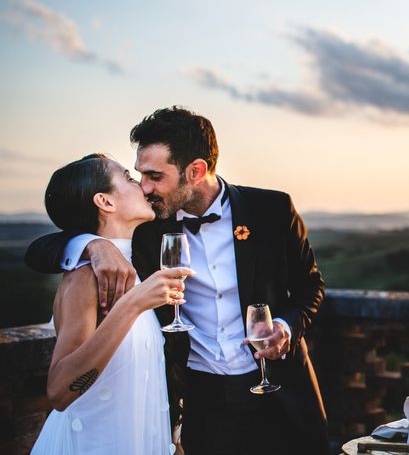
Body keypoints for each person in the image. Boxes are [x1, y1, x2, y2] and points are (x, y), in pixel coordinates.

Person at [26, 107, 330, 455]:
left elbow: (311, 288)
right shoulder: (148, 224)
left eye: (155, 176)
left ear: (196, 171)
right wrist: (92, 245)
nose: (145, 186)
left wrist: (284, 327)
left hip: (280, 392)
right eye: (138, 175)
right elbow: (43, 247)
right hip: (204, 403)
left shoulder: (272, 209)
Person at [31, 154, 194, 455]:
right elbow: (60, 391)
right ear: (105, 202)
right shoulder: (87, 278)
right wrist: (132, 305)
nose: (144, 187)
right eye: (130, 179)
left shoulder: (130, 268)